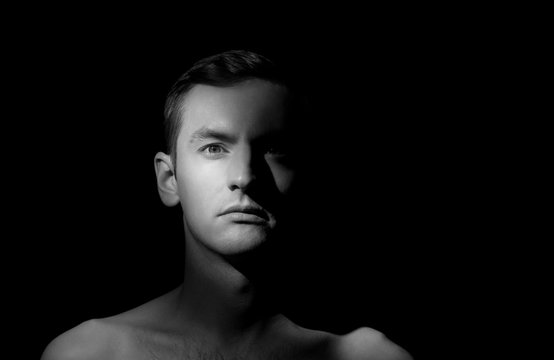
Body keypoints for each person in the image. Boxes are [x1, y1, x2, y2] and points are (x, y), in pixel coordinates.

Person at [41, 50, 413, 360]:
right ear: (169, 180)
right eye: (214, 148)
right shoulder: (91, 353)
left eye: (272, 149)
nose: (246, 177)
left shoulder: (368, 357)